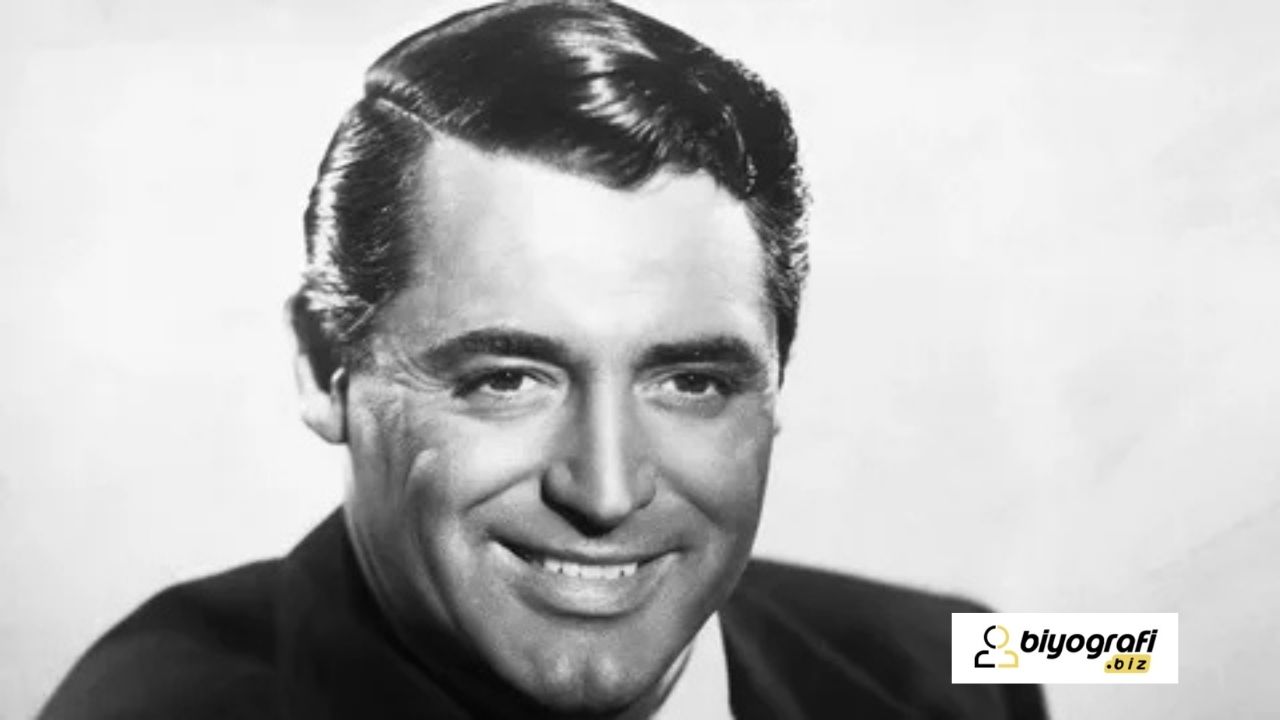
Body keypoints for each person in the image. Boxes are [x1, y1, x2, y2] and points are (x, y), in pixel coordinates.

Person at [42, 1, 1048, 717]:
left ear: (776, 379)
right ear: (323, 367)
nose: (605, 492)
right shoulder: (152, 702)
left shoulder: (964, 663)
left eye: (690, 381)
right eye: (505, 380)